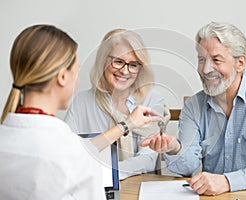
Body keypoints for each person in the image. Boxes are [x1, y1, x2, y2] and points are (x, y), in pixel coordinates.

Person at [0, 24, 162, 200]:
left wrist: (127, 124)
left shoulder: (11, 139)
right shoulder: (76, 156)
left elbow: (83, 149)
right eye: (76, 71)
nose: (125, 70)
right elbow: (81, 152)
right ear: (63, 77)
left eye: (133, 64)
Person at [141, 21, 246, 195]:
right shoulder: (193, 106)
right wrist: (174, 148)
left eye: (216, 60)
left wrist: (228, 181)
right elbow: (188, 166)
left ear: (240, 63)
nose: (206, 69)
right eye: (201, 60)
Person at [64, 28, 168, 180]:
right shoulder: (81, 102)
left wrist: (105, 173)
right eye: (118, 62)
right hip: (93, 187)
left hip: (137, 187)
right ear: (102, 61)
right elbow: (68, 153)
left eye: (133, 64)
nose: (125, 71)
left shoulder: (153, 100)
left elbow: (148, 160)